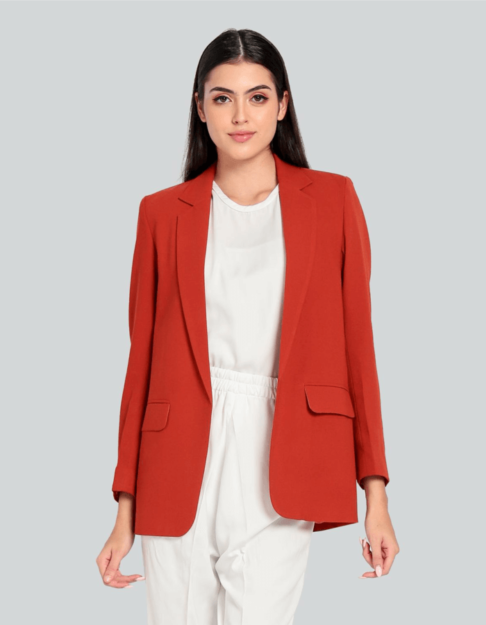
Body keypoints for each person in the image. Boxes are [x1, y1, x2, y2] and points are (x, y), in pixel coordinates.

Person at [96, 27, 399, 624]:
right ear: (200, 107)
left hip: (286, 448)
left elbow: (359, 353)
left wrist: (376, 494)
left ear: (282, 105)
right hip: (176, 457)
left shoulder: (333, 201)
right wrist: (124, 508)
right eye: (223, 98)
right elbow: (141, 366)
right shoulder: (160, 214)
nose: (241, 116)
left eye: (258, 97)